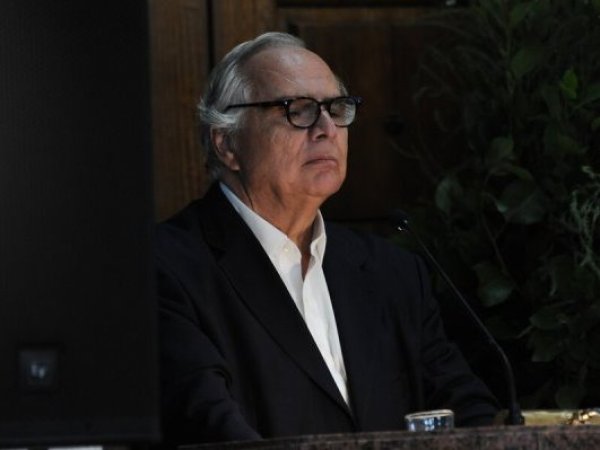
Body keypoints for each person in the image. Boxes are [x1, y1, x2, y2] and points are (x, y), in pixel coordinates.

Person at [155, 31, 499, 447]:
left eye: (337, 109)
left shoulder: (392, 273)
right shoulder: (166, 268)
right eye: (297, 110)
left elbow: (467, 413)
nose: (327, 129)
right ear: (227, 144)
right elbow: (210, 426)